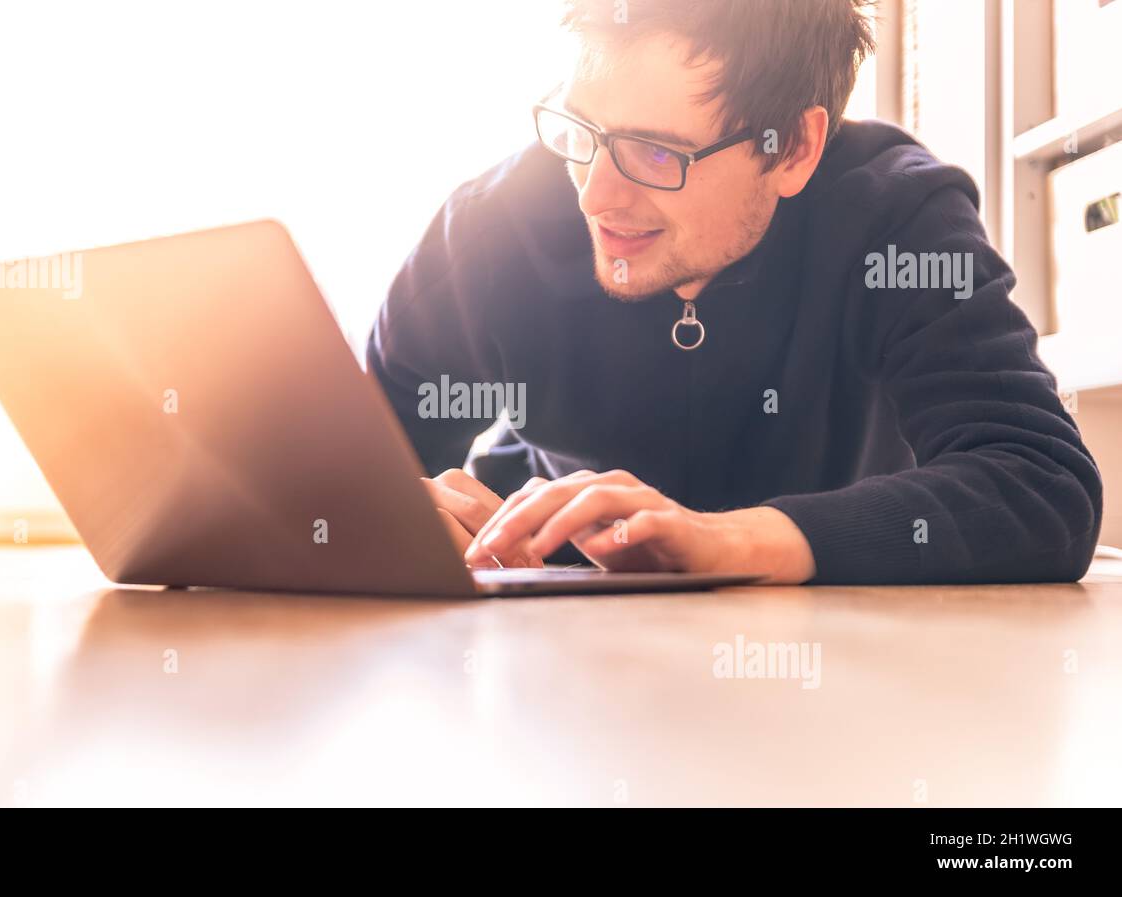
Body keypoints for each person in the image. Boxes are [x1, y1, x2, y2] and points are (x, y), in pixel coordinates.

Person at [366, 0, 1102, 584]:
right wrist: (394, 507)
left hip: (835, 662)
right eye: (579, 130)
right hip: (550, 647)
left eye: (656, 152)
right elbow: (339, 461)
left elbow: (1042, 486)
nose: (595, 196)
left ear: (795, 150)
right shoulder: (493, 226)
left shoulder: (894, 217)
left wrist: (732, 541)